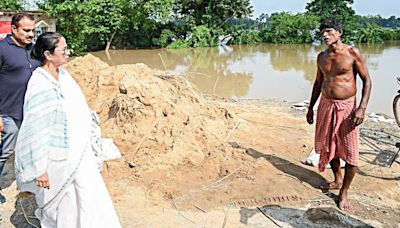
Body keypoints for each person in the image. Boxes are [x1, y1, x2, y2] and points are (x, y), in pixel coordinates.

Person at [14, 32, 121, 227]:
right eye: (63, 50)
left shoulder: (64, 75)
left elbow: (78, 108)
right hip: (57, 157)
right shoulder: (39, 85)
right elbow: (36, 131)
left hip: (79, 152)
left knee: (87, 193)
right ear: (48, 54)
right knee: (65, 201)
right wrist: (40, 170)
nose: (68, 53)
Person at [306, 19, 372, 211]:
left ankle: (344, 192)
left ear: (339, 32)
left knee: (350, 152)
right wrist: (311, 107)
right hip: (326, 105)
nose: (325, 35)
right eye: (322, 32)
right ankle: (336, 179)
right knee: (329, 145)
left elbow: (367, 81)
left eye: (329, 31)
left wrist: (362, 108)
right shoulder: (321, 57)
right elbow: (318, 83)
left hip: (347, 108)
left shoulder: (352, 53)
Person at [0, 12, 39, 203]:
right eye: (26, 30)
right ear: (14, 29)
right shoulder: (1, 49)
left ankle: (30, 184)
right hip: (9, 112)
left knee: (32, 149)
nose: (31, 34)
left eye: (33, 30)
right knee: (6, 151)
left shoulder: (34, 50)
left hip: (32, 112)